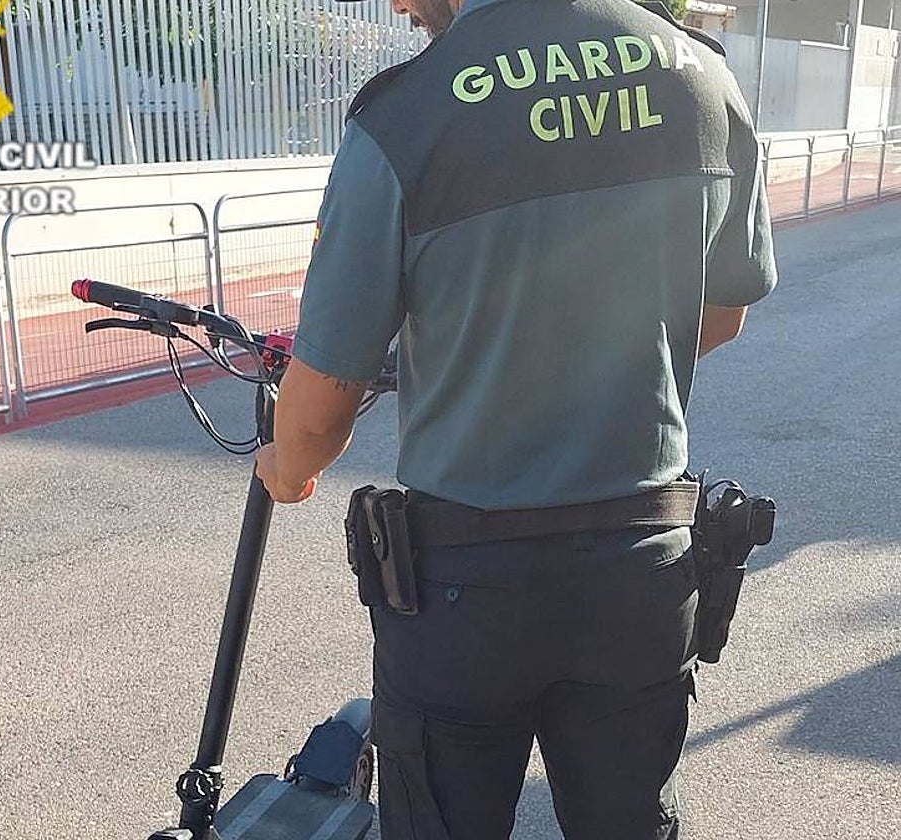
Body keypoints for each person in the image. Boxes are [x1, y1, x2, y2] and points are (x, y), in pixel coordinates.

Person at [253, 0, 778, 836]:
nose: (398, 5)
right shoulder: (700, 78)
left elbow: (319, 403)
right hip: (639, 570)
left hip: (463, 589)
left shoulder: (406, 114)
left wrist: (286, 468)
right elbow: (720, 315)